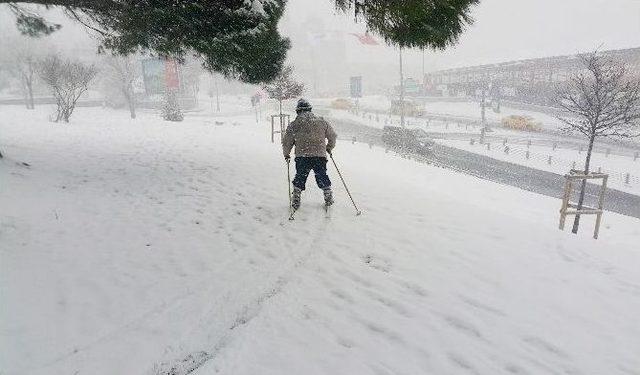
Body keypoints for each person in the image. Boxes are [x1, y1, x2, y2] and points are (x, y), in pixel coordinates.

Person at [283, 98, 338, 210]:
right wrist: (329, 147)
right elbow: (332, 136)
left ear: (298, 111)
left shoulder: (294, 124)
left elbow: (287, 141)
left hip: (302, 156)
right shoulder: (322, 122)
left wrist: (286, 154)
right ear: (310, 109)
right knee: (321, 174)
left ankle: (296, 196)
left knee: (300, 176)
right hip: (319, 155)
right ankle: (327, 194)